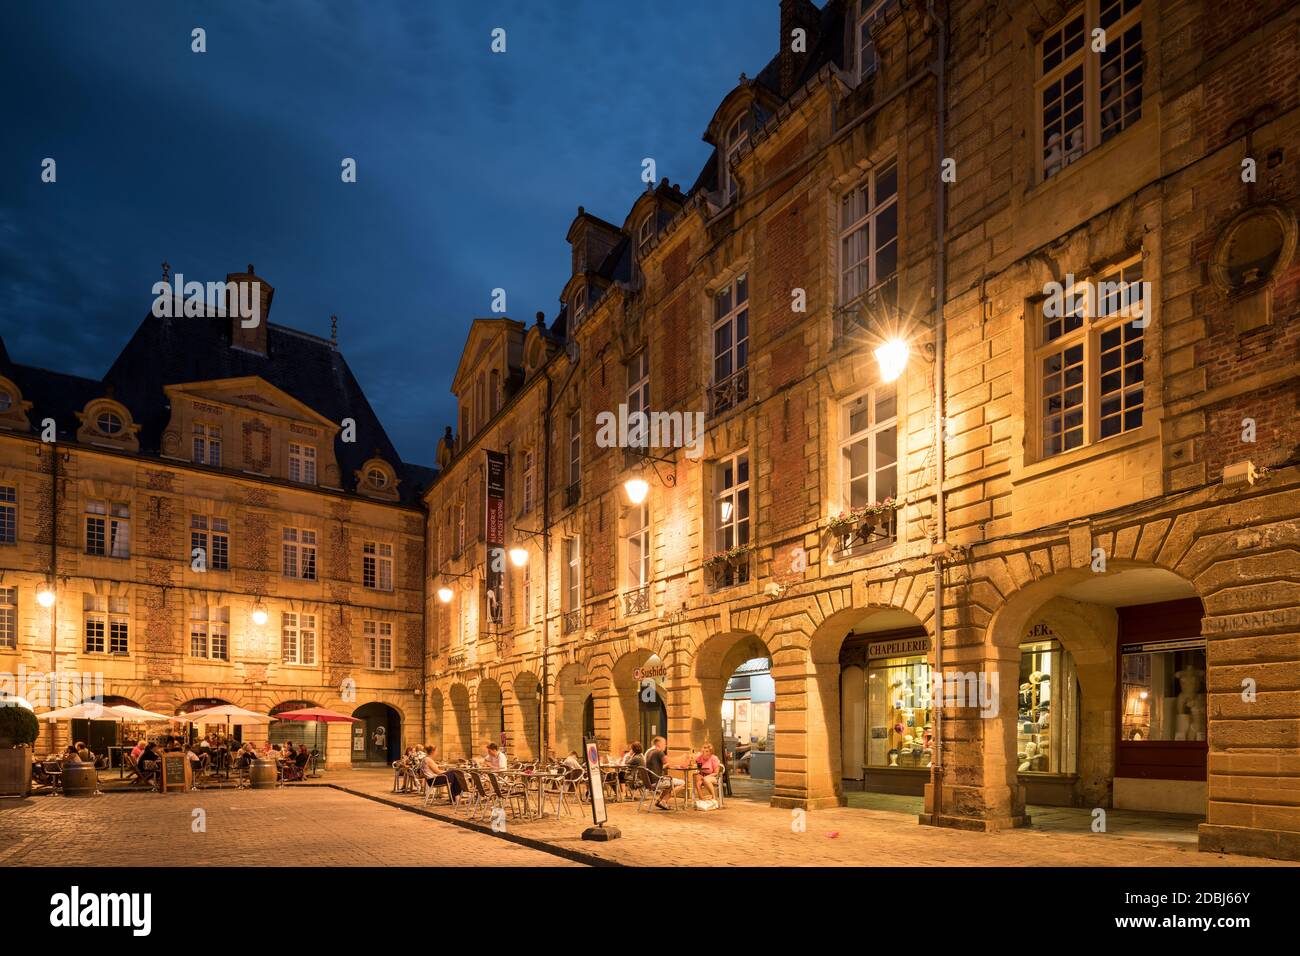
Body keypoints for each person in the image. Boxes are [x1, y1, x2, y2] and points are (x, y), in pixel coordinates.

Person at [645, 737, 682, 810]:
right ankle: (664, 801)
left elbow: (654, 766)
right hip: (657, 781)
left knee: (668, 783)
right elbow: (668, 761)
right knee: (682, 783)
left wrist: (664, 766)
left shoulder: (649, 752)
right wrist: (681, 758)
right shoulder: (659, 752)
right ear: (659, 744)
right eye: (664, 743)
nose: (666, 745)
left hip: (649, 782)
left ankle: (659, 801)